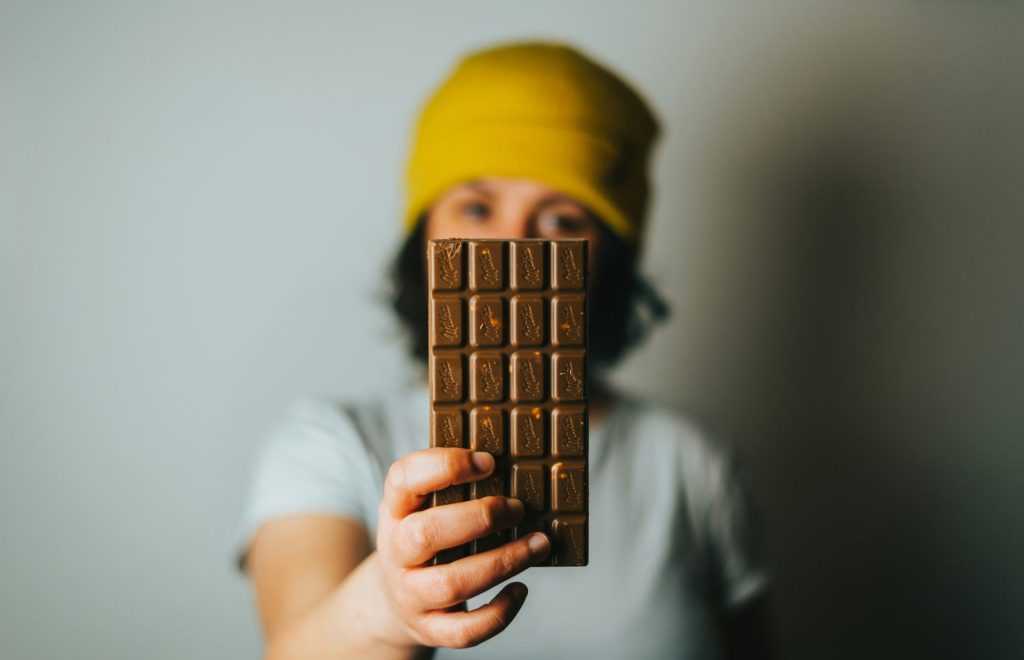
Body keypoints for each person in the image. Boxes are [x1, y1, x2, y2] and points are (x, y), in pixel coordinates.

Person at [236, 41, 773, 659]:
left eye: (562, 221)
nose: (513, 247)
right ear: (426, 238)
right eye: (477, 206)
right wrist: (385, 611)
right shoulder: (329, 447)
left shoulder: (693, 467)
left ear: (609, 264)